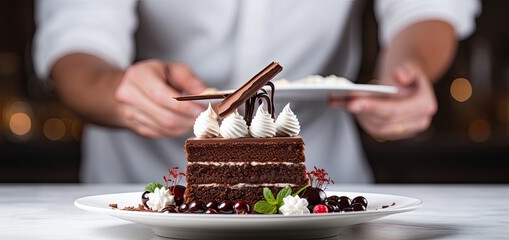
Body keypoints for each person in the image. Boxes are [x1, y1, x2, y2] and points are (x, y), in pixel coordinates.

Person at [34, 0, 480, 183]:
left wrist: (404, 73)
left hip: (322, 184)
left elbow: (425, 8)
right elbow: (78, 37)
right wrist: (120, 91)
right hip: (140, 180)